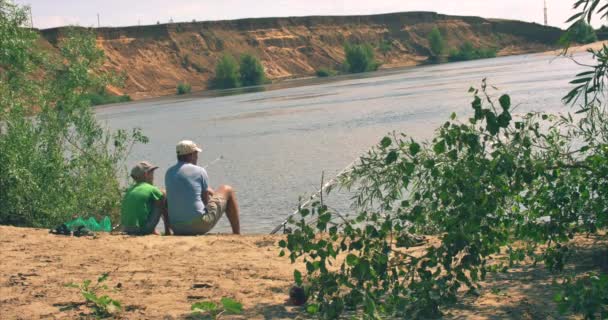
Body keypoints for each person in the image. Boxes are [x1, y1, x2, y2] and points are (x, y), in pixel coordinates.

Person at [165, 140, 241, 235]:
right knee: (227, 189)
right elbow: (205, 202)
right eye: (196, 154)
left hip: (176, 227)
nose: (197, 157)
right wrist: (212, 195)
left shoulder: (168, 172)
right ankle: (237, 233)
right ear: (191, 155)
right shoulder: (200, 171)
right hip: (198, 226)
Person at [120, 161, 171, 235]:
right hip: (142, 230)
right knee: (163, 195)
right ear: (146, 175)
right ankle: (167, 231)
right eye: (152, 173)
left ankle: (154, 230)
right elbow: (163, 201)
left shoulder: (130, 190)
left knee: (149, 201)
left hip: (126, 229)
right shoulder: (151, 188)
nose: (153, 177)